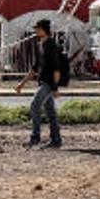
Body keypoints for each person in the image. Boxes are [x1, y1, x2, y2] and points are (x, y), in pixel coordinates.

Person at [15, 19, 62, 149]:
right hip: (42, 82)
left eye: (37, 28)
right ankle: (56, 139)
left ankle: (35, 137)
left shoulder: (52, 45)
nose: (35, 31)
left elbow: (56, 69)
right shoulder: (40, 45)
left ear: (43, 29)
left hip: (48, 84)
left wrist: (55, 88)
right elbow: (35, 68)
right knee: (50, 112)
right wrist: (22, 84)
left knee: (34, 106)